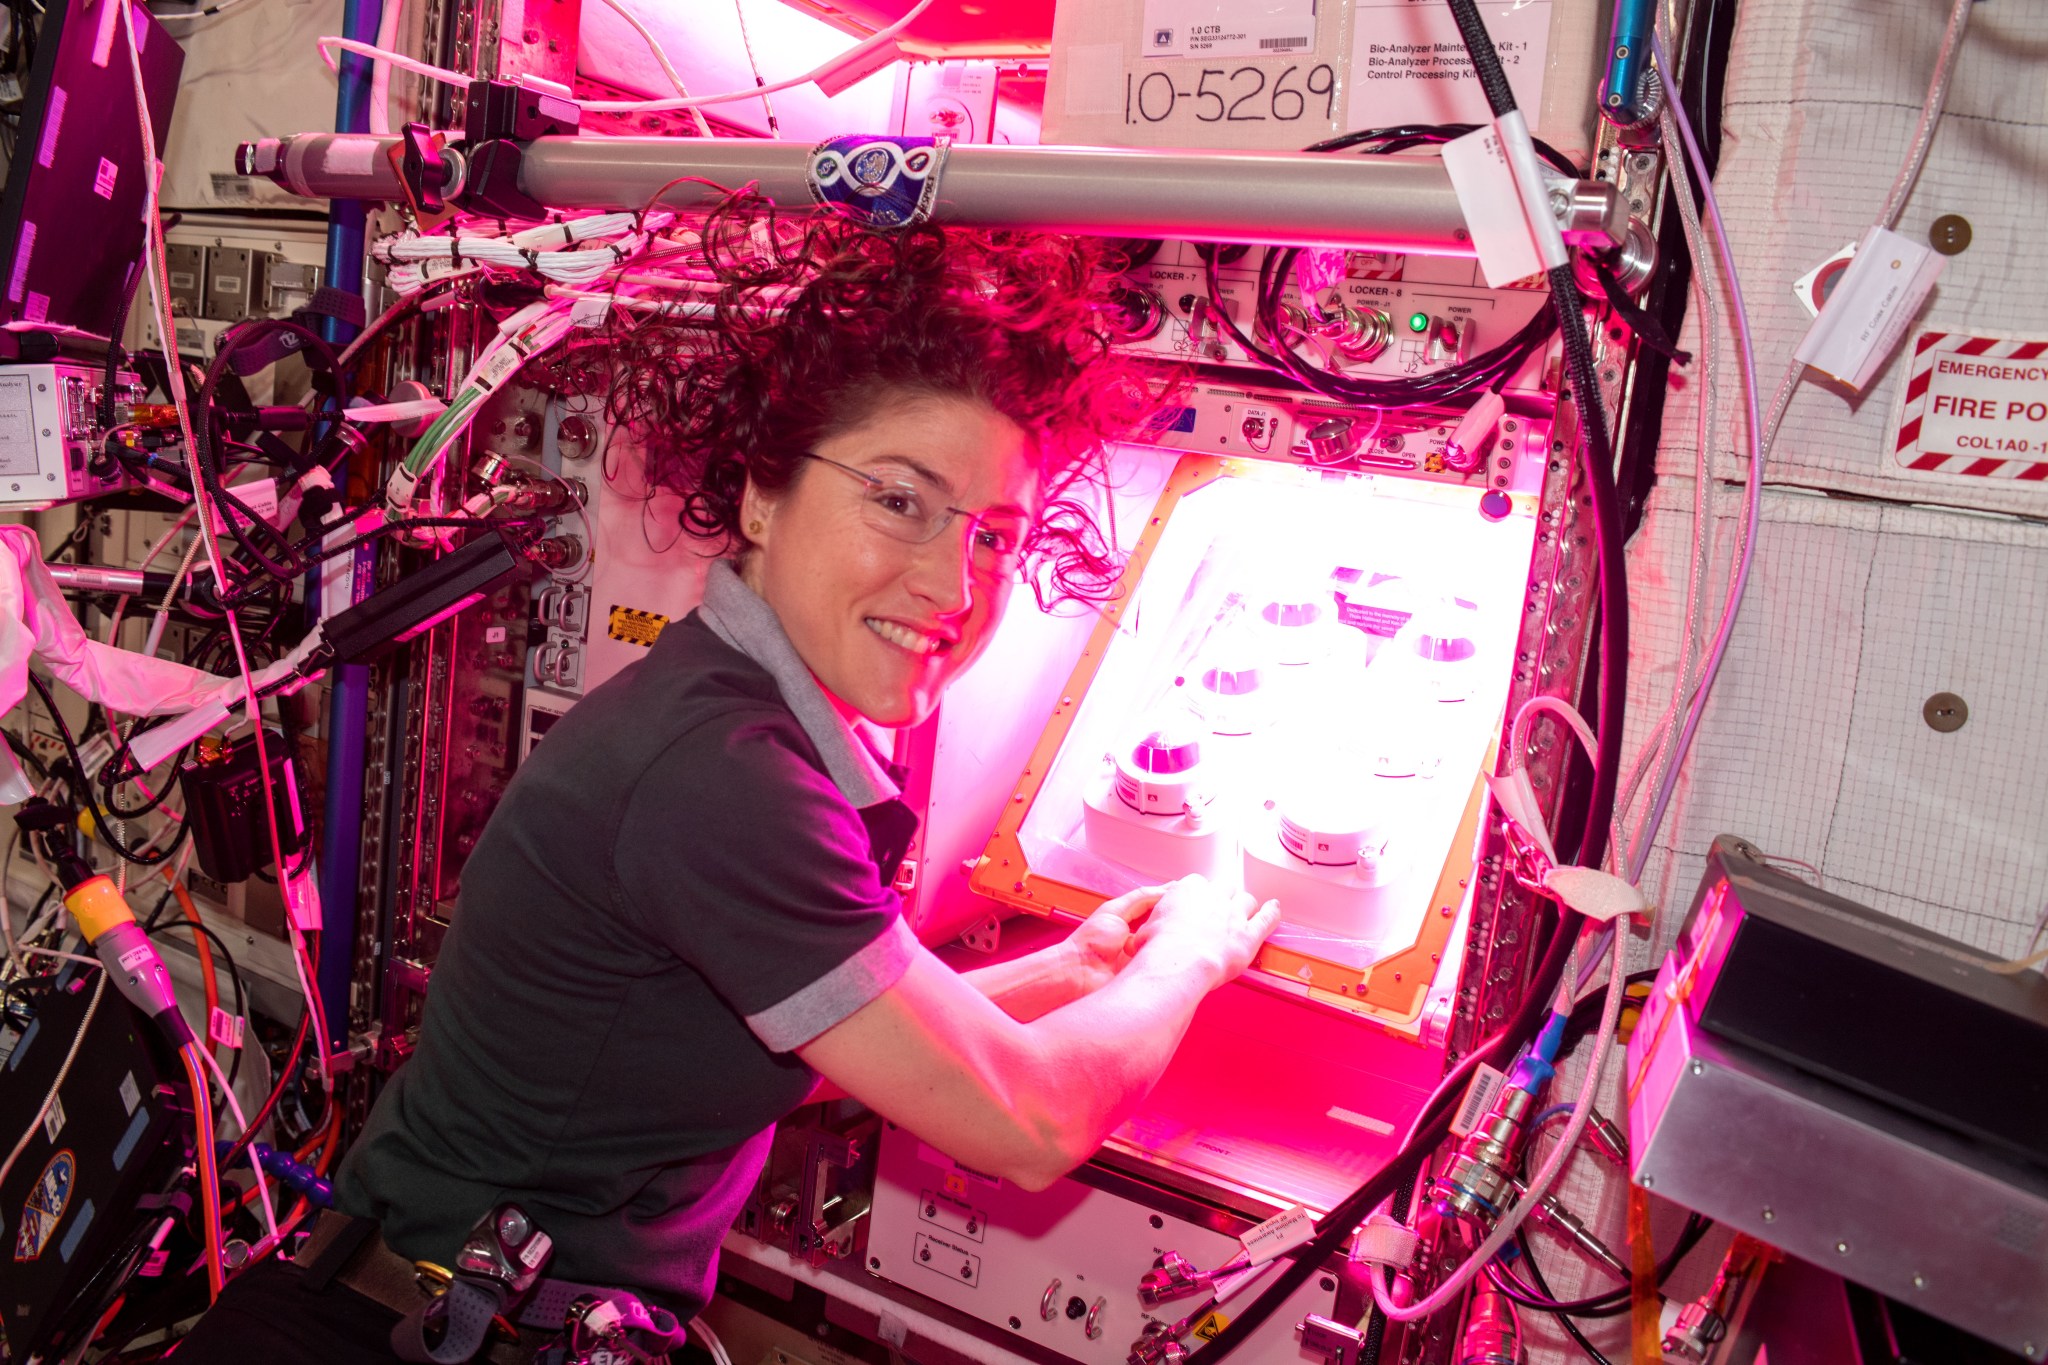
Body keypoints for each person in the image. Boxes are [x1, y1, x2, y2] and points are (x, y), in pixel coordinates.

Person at [175, 193, 1280, 1362]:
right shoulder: (719, 775)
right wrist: (1189, 956)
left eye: (993, 534)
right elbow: (1027, 1124)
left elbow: (810, 1039)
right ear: (760, 492)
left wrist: (1071, 968)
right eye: (898, 500)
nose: (954, 586)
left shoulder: (730, 717)